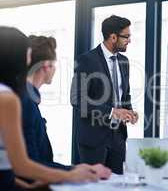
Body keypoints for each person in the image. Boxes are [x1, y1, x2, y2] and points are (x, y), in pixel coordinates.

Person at [0, 26, 99, 190]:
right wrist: (70, 174)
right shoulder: (10, 99)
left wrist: (24, 186)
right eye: (27, 52)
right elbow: (20, 164)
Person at [21, 35, 111, 179]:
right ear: (46, 65)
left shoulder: (26, 98)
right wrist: (73, 172)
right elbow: (32, 163)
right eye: (54, 64)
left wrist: (75, 168)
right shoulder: (26, 103)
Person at [71, 15, 138, 174]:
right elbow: (77, 99)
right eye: (126, 36)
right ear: (113, 37)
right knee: (95, 185)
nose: (129, 40)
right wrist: (112, 112)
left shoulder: (124, 61)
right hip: (93, 138)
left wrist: (129, 111)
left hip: (118, 138)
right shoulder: (86, 60)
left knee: (117, 185)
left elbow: (124, 93)